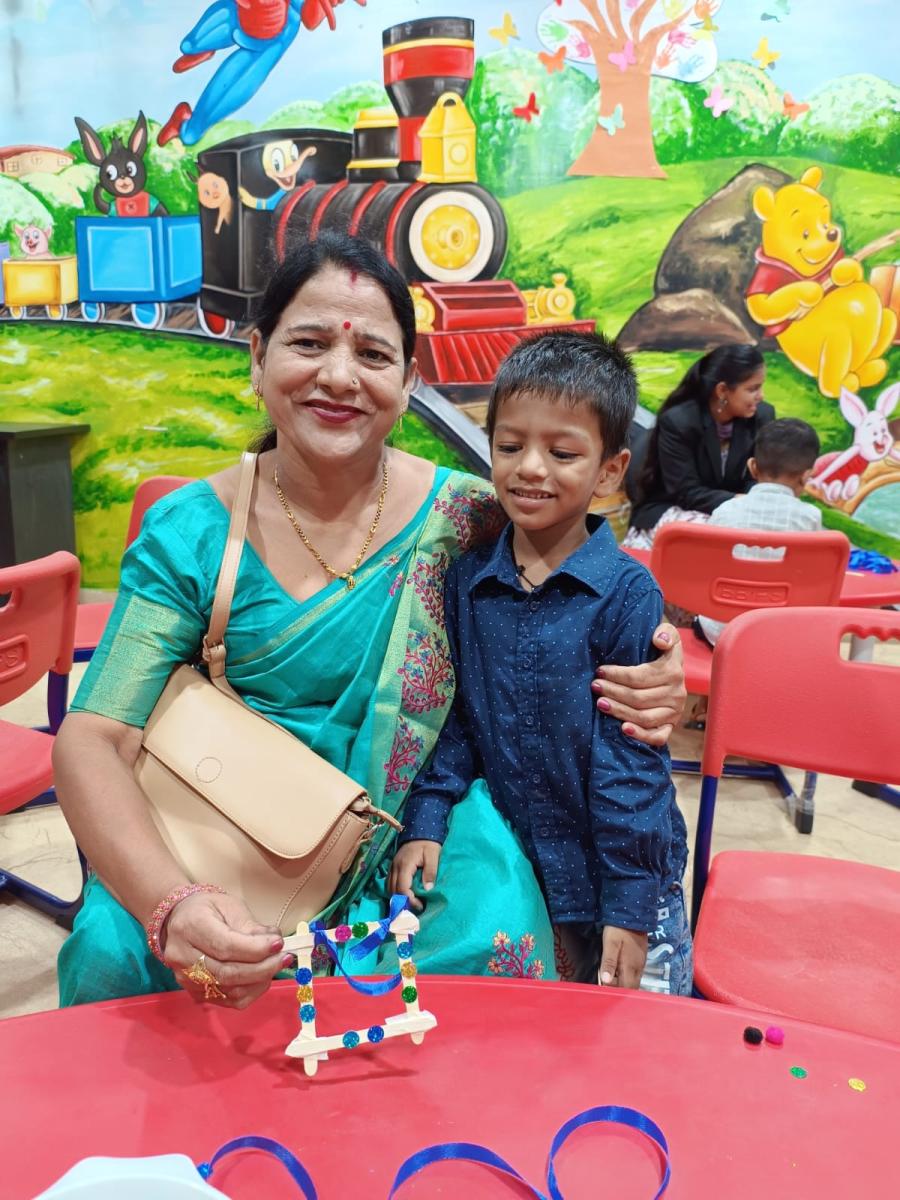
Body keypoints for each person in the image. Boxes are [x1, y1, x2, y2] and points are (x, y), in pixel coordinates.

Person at [52, 233, 687, 1010]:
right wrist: (172, 903)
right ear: (257, 357)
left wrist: (657, 666)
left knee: (494, 929)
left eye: (373, 355)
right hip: (231, 821)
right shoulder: (194, 531)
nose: (339, 376)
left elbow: (588, 583)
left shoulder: (469, 516)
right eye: (308, 343)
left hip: (414, 817)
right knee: (116, 955)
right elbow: (94, 738)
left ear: (409, 380)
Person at [391, 331, 692, 994]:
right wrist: (428, 818)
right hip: (522, 871)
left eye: (562, 453)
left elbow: (631, 758)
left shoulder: (625, 594)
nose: (530, 468)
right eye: (509, 446)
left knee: (637, 1033)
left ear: (609, 471)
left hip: (617, 881)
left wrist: (630, 905)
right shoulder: (468, 582)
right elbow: (457, 720)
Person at [626, 345, 774, 549]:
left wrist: (749, 501)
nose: (761, 396)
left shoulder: (761, 416)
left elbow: (756, 478)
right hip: (676, 507)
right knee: (728, 543)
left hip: (733, 511)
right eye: (752, 389)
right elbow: (686, 492)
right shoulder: (680, 421)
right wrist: (738, 501)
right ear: (722, 391)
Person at [694, 418, 823, 649]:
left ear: (753, 467)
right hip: (780, 637)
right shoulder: (810, 518)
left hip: (720, 635)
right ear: (806, 476)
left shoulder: (725, 511)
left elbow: (706, 571)